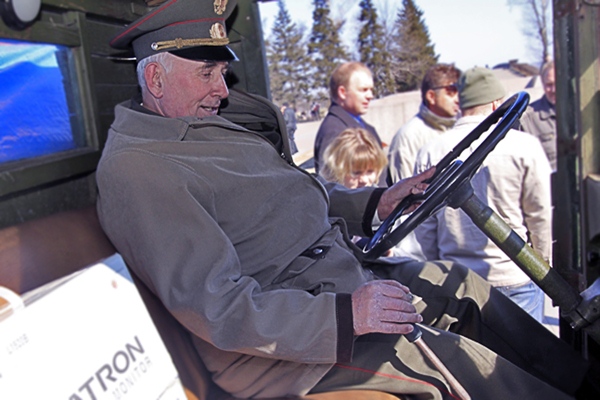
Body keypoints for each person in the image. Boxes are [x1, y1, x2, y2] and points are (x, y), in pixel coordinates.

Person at [96, 1, 592, 398]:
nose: (221, 90)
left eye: (222, 73)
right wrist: (347, 315)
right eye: (207, 73)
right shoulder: (139, 169)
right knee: (460, 364)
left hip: (331, 281)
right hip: (284, 347)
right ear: (155, 79)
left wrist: (378, 201)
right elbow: (216, 307)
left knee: (463, 286)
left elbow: (289, 198)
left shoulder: (202, 127)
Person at [413, 66, 552, 322]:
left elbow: (424, 224)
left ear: (461, 103)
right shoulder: (525, 147)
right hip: (515, 275)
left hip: (457, 281)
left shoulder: (431, 152)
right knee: (528, 348)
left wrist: (440, 266)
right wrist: (541, 268)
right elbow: (539, 216)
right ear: (498, 103)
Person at [387, 63, 461, 183]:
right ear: (431, 96)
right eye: (450, 92)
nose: (457, 99)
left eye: (459, 91)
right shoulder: (408, 137)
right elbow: (403, 189)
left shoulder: (460, 128)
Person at [313, 62, 383, 176]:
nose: (370, 95)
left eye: (371, 90)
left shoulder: (364, 127)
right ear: (342, 92)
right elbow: (332, 183)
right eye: (363, 90)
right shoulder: (334, 132)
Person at [519, 59, 557, 170]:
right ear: (543, 84)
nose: (553, 90)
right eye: (549, 84)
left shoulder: (583, 113)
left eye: (557, 84)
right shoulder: (528, 120)